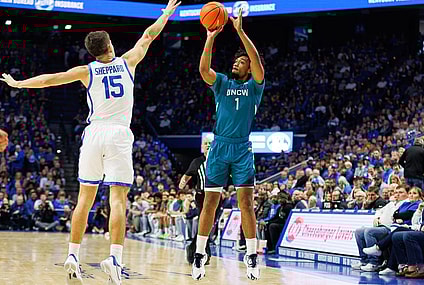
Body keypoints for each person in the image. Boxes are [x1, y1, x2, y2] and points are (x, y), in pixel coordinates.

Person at [0, 1, 180, 284]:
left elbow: (51, 80)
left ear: (92, 52)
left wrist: (19, 84)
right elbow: (149, 35)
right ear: (110, 45)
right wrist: (167, 13)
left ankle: (73, 254)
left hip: (94, 133)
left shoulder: (87, 71)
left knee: (84, 199)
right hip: (119, 134)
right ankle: (115, 259)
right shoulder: (128, 61)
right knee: (118, 199)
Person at [192, 8, 265, 281]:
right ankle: (200, 254)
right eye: (236, 60)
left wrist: (240, 32)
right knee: (209, 203)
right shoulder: (221, 82)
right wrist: (210, 37)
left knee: (246, 204)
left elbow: (256, 59)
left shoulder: (256, 86)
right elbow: (203, 70)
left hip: (242, 149)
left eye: (242, 61)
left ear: (249, 68)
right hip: (219, 148)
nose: (237, 62)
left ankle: (251, 255)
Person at [179, 137, 214, 265]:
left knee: (207, 225)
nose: (208, 145)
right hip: (202, 195)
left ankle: (194, 249)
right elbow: (187, 175)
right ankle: (202, 252)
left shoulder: (219, 160)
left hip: (216, 195)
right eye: (206, 144)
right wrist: (181, 185)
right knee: (205, 224)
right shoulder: (197, 161)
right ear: (202, 147)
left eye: (210, 143)